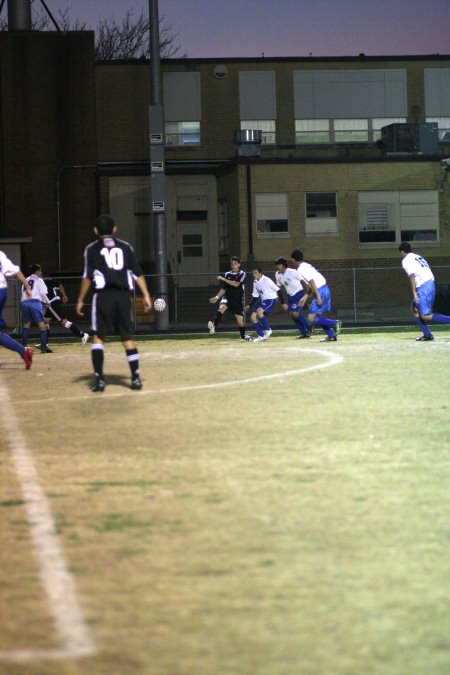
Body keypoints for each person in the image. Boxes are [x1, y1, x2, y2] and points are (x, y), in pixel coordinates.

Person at [76, 214, 152, 392]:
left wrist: (80, 299)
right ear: (115, 229)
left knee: (98, 337)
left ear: (95, 231)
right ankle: (135, 378)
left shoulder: (92, 249)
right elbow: (137, 272)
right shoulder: (126, 247)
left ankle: (100, 380)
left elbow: (87, 276)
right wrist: (146, 294)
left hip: (103, 297)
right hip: (122, 296)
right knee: (126, 337)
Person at [398, 241, 450, 341]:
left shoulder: (406, 260)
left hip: (424, 286)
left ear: (402, 252)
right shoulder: (417, 256)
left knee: (425, 316)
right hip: (429, 283)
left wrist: (414, 293)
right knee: (415, 308)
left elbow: (412, 276)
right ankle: (427, 335)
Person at [290, 249, 342, 342]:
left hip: (320, 291)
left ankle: (335, 323)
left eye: (292, 260)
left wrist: (318, 297)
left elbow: (312, 282)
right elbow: (311, 285)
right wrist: (305, 297)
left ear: (294, 260)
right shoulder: (305, 265)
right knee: (317, 316)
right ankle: (331, 335)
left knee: (311, 318)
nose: (291, 262)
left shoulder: (301, 269)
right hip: (323, 289)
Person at [0, 250, 33, 369]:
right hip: (2, 291)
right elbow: (16, 270)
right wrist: (27, 286)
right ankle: (24, 351)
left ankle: (23, 351)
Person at [207, 256, 250, 340]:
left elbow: (236, 284)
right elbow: (224, 288)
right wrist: (217, 297)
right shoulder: (227, 274)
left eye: (235, 264)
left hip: (237, 300)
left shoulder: (242, 274)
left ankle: (243, 335)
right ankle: (213, 327)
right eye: (232, 264)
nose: (233, 266)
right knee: (221, 308)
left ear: (239, 265)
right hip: (227, 297)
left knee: (240, 321)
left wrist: (223, 279)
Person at [42, 274, 89, 347]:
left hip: (52, 303)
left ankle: (83, 335)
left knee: (64, 322)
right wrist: (64, 295)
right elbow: (59, 283)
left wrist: (64, 295)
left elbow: (59, 284)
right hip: (53, 302)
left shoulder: (44, 281)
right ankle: (44, 344)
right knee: (45, 322)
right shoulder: (46, 281)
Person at [274, 257, 313, 338]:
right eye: (277, 265)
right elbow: (278, 288)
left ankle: (310, 327)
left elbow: (303, 282)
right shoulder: (277, 274)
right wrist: (282, 302)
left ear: (284, 265)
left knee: (295, 313)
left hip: (299, 293)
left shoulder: (293, 272)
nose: (278, 266)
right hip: (290, 296)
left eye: (279, 265)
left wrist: (307, 294)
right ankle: (304, 333)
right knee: (292, 315)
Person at [21, 263, 53, 353]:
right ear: (37, 271)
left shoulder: (26, 279)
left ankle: (23, 347)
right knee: (42, 326)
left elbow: (22, 292)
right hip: (34, 303)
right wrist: (48, 302)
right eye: (40, 270)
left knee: (26, 325)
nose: (41, 272)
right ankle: (44, 347)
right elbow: (43, 293)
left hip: (24, 302)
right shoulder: (39, 280)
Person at [244, 267, 280, 342]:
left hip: (270, 300)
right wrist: (249, 305)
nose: (254, 274)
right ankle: (261, 335)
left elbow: (277, 289)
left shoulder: (267, 280)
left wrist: (282, 302)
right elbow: (255, 296)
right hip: (263, 301)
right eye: (253, 273)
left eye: (255, 273)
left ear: (260, 273)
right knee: (253, 317)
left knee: (259, 311)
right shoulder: (255, 282)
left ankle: (268, 330)